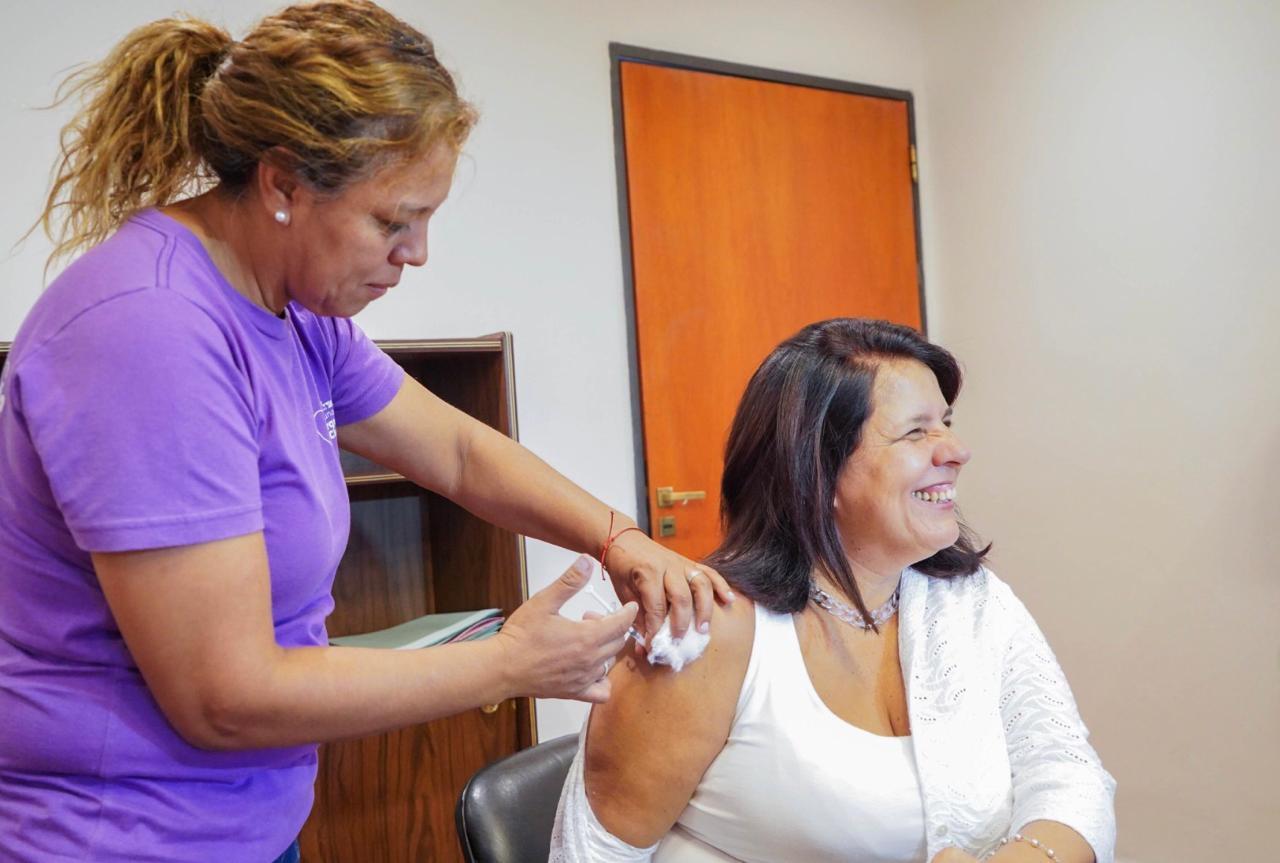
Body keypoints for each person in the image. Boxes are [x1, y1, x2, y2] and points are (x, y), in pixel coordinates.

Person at [0, 3, 732, 861]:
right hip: (114, 836)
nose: (417, 253)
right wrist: (510, 664)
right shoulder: (150, 331)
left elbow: (459, 452)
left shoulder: (296, 315)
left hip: (245, 821)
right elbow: (223, 695)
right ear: (282, 185)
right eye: (393, 221)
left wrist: (619, 536)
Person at [551, 318, 1117, 863]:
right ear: (817, 473)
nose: (956, 450)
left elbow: (1067, 771)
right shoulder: (704, 632)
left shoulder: (973, 602)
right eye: (917, 431)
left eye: (946, 421)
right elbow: (594, 852)